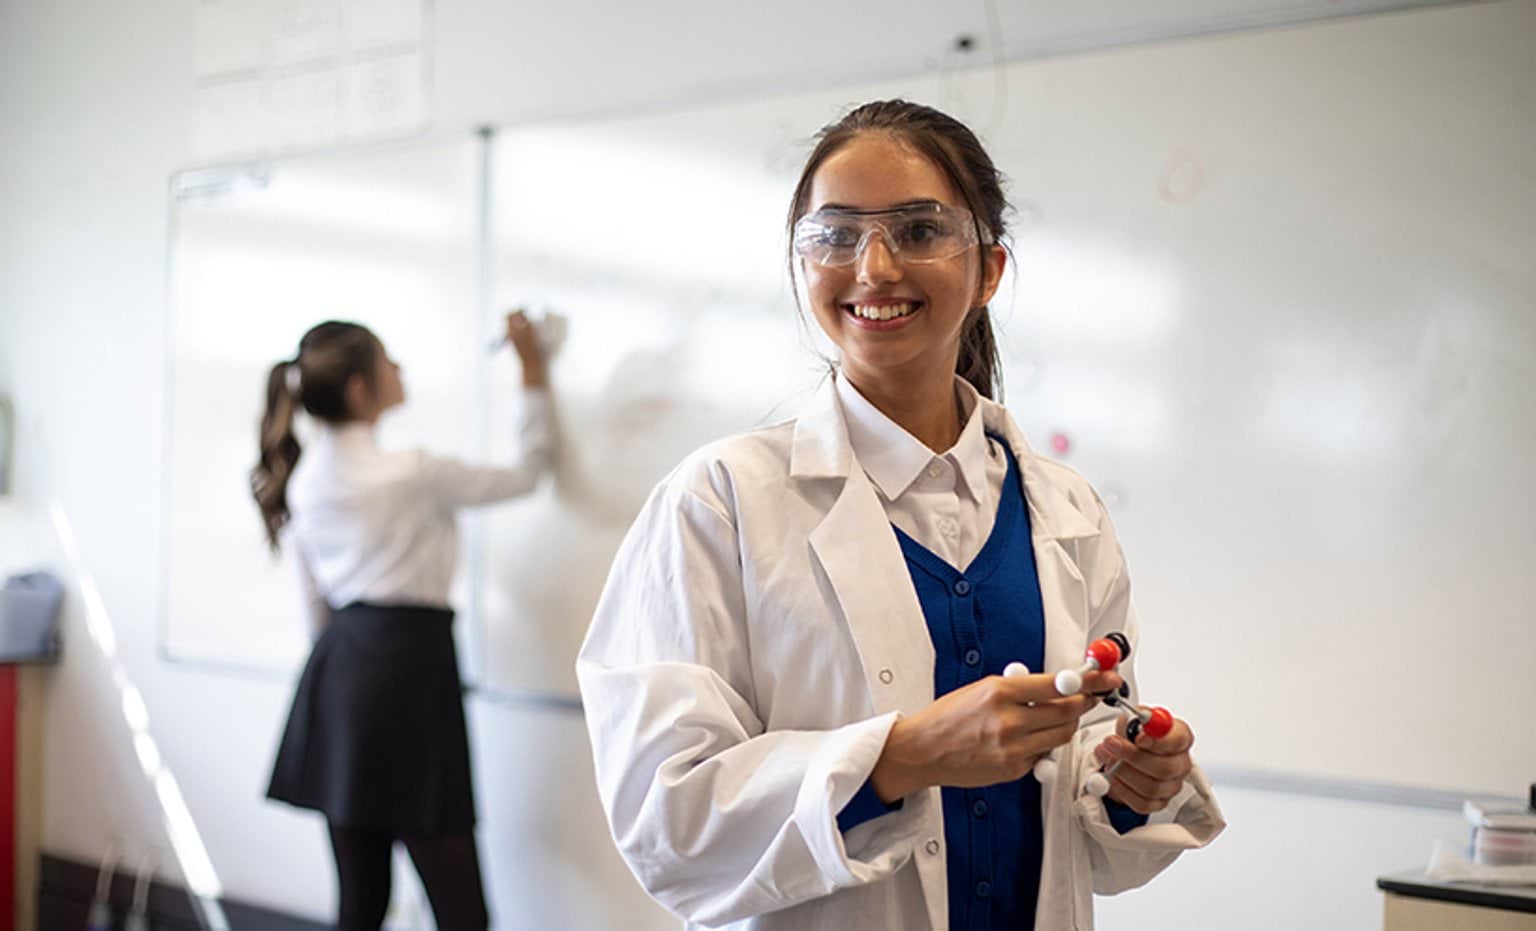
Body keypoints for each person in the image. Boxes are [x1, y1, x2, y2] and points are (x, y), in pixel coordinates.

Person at [577, 100, 1225, 931]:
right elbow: (668, 820)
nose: (874, 267)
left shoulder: (1066, 511)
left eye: (918, 231)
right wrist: (902, 756)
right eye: (836, 235)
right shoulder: (719, 502)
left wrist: (1132, 781)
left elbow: (1090, 826)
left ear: (989, 270)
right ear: (801, 264)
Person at [252, 312, 553, 931]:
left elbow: (317, 611)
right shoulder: (415, 472)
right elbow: (529, 473)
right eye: (389, 361)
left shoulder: (304, 480)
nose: (401, 370)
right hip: (411, 674)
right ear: (361, 389)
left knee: (360, 904)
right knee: (463, 914)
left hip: (339, 675)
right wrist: (531, 369)